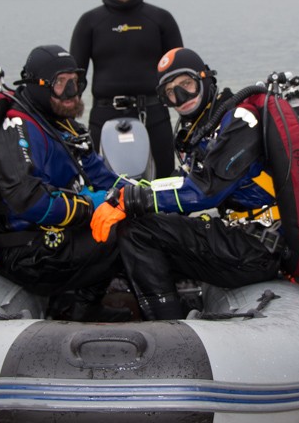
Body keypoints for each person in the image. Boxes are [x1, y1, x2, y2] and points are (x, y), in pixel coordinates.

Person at [90, 48, 286, 320]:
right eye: (170, 92)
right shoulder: (198, 130)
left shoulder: (239, 121)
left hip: (256, 247)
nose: (179, 97)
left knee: (137, 231)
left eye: (186, 85)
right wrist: (125, 196)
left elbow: (206, 190)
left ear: (205, 79)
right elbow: (180, 183)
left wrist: (134, 200)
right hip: (237, 236)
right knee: (135, 230)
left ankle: (167, 326)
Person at [0, 44, 131, 321]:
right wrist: (92, 206)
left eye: (75, 82)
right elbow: (29, 200)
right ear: (38, 86)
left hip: (55, 236)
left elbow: (101, 177)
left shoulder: (65, 128)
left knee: (138, 222)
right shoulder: (18, 128)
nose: (71, 93)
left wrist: (147, 197)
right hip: (25, 251)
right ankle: (83, 312)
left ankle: (82, 304)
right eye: (59, 84)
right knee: (124, 234)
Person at [70, 0, 183, 178]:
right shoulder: (89, 23)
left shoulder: (161, 20)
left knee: (163, 187)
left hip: (153, 117)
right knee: (101, 188)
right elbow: (73, 79)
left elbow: (180, 74)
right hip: (103, 117)